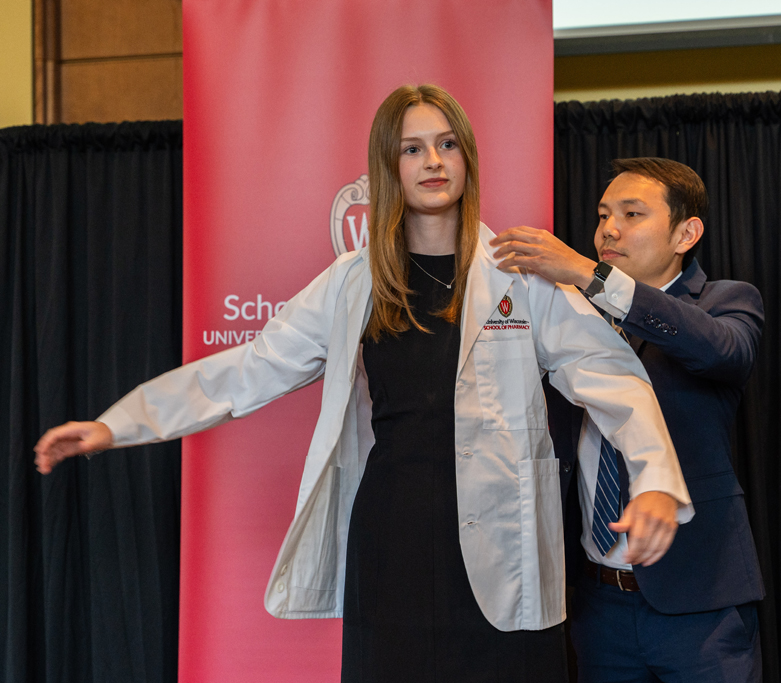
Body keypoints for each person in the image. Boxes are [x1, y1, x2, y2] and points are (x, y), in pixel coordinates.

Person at [34, 87, 691, 682]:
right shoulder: (354, 281)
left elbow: (610, 373)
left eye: (447, 143)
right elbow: (248, 369)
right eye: (412, 148)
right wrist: (118, 422)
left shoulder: (520, 271)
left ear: (466, 159)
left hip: (505, 540)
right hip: (391, 540)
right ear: (389, 166)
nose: (433, 160)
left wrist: (656, 476)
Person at [491, 157, 765, 683]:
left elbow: (719, 351)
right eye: (602, 215)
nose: (608, 229)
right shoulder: (567, 317)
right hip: (598, 605)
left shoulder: (725, 302)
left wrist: (591, 276)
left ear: (687, 232)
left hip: (700, 603)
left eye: (632, 214)